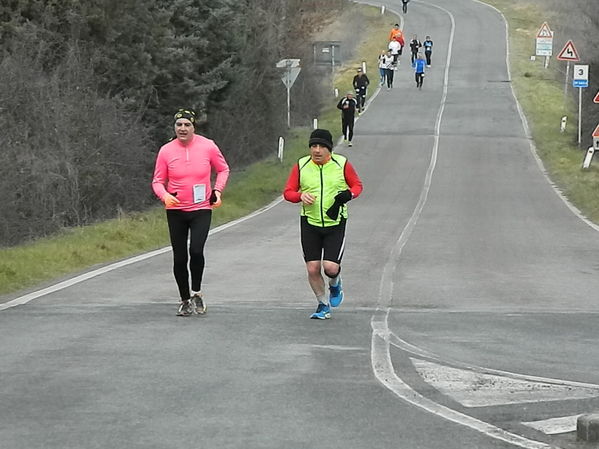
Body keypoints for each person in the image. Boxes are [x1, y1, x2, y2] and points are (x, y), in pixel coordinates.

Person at [152, 108, 230, 316]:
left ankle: (197, 293)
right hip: (176, 209)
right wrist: (164, 196)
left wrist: (217, 191)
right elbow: (158, 181)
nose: (183, 129)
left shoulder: (208, 146)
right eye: (179, 125)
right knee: (179, 257)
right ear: (174, 127)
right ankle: (184, 299)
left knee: (196, 250)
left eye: (187, 125)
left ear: (194, 127)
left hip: (201, 208)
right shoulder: (166, 151)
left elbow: (223, 169)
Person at [283, 129, 363, 320]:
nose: (317, 150)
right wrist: (300, 195)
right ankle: (322, 304)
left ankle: (335, 284)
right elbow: (288, 192)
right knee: (312, 267)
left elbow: (357, 186)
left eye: (321, 147)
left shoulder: (341, 164)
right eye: (313, 146)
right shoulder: (301, 165)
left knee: (330, 268)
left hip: (335, 222)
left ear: (329, 149)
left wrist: (348, 195)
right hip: (310, 222)